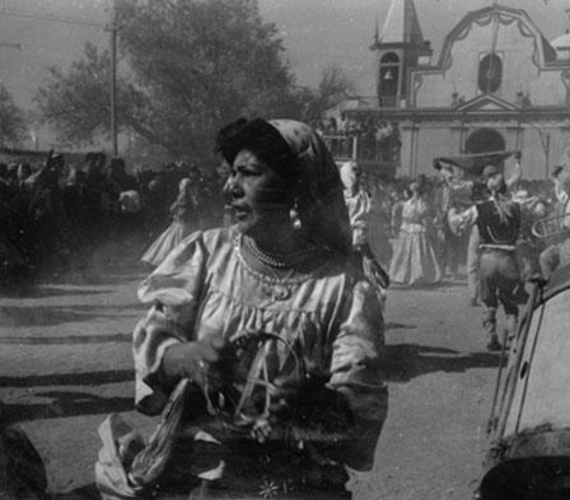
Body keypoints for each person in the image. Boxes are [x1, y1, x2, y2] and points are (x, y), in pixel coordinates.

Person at [96, 118, 387, 500]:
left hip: (294, 485)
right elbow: (155, 340)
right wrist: (186, 357)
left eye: (248, 173)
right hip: (201, 477)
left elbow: (360, 410)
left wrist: (301, 400)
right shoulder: (206, 255)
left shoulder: (343, 287)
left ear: (296, 185)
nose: (230, 187)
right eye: (231, 173)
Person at [449, 165, 524, 351]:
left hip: (488, 259)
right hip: (509, 259)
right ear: (505, 187)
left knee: (489, 300)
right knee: (509, 300)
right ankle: (513, 334)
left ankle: (491, 336)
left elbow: (457, 224)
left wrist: (451, 211)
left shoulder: (479, 208)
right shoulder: (516, 207)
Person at [340, 161, 390, 291]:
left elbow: (364, 218)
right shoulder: (339, 195)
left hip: (356, 237)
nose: (356, 179)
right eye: (354, 175)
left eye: (358, 175)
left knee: (357, 271)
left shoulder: (363, 196)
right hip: (341, 237)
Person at [389, 180, 443, 286]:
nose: (416, 194)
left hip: (416, 227)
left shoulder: (419, 203)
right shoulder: (410, 203)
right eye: (414, 192)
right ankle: (403, 275)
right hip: (409, 228)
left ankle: (417, 275)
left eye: (417, 192)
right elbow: (401, 213)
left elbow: (422, 214)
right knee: (407, 252)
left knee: (417, 252)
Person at [141, 177, 200, 267]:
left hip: (182, 223)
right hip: (183, 224)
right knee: (178, 242)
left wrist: (176, 214)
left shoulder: (184, 195)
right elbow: (178, 210)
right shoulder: (187, 196)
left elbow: (172, 208)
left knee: (171, 242)